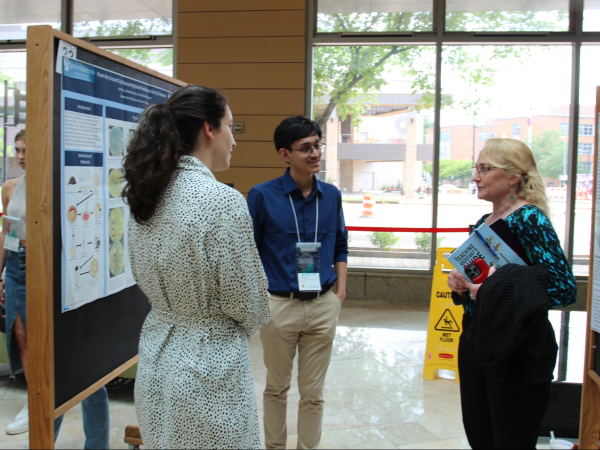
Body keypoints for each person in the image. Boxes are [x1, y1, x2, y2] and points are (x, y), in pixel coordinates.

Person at [124, 85, 270, 449]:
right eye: (230, 127)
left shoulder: (147, 194)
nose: (234, 140)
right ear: (209, 129)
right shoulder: (222, 200)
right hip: (209, 367)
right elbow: (248, 301)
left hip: (157, 357)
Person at [447, 138, 577, 449]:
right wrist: (462, 284)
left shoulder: (530, 218)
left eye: (485, 168)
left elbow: (562, 288)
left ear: (513, 177)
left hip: (519, 348)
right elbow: (486, 283)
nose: (476, 176)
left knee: (511, 439)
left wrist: (491, 290)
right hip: (478, 339)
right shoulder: (483, 223)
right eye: (476, 168)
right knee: (480, 434)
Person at [1, 130, 110, 448]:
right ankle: (34, 406)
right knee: (24, 341)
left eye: (26, 150)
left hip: (53, 268)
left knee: (75, 363)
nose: (20, 156)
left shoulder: (61, 186)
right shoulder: (10, 187)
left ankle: (94, 440)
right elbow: (7, 233)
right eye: (17, 150)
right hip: (17, 266)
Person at [247, 116, 348, 449]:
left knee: (314, 393)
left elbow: (341, 244)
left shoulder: (331, 196)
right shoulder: (261, 197)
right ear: (284, 154)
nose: (315, 153)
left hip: (322, 304)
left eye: (317, 145)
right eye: (305, 148)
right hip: (280, 306)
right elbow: (250, 251)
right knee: (276, 389)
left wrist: (340, 292)